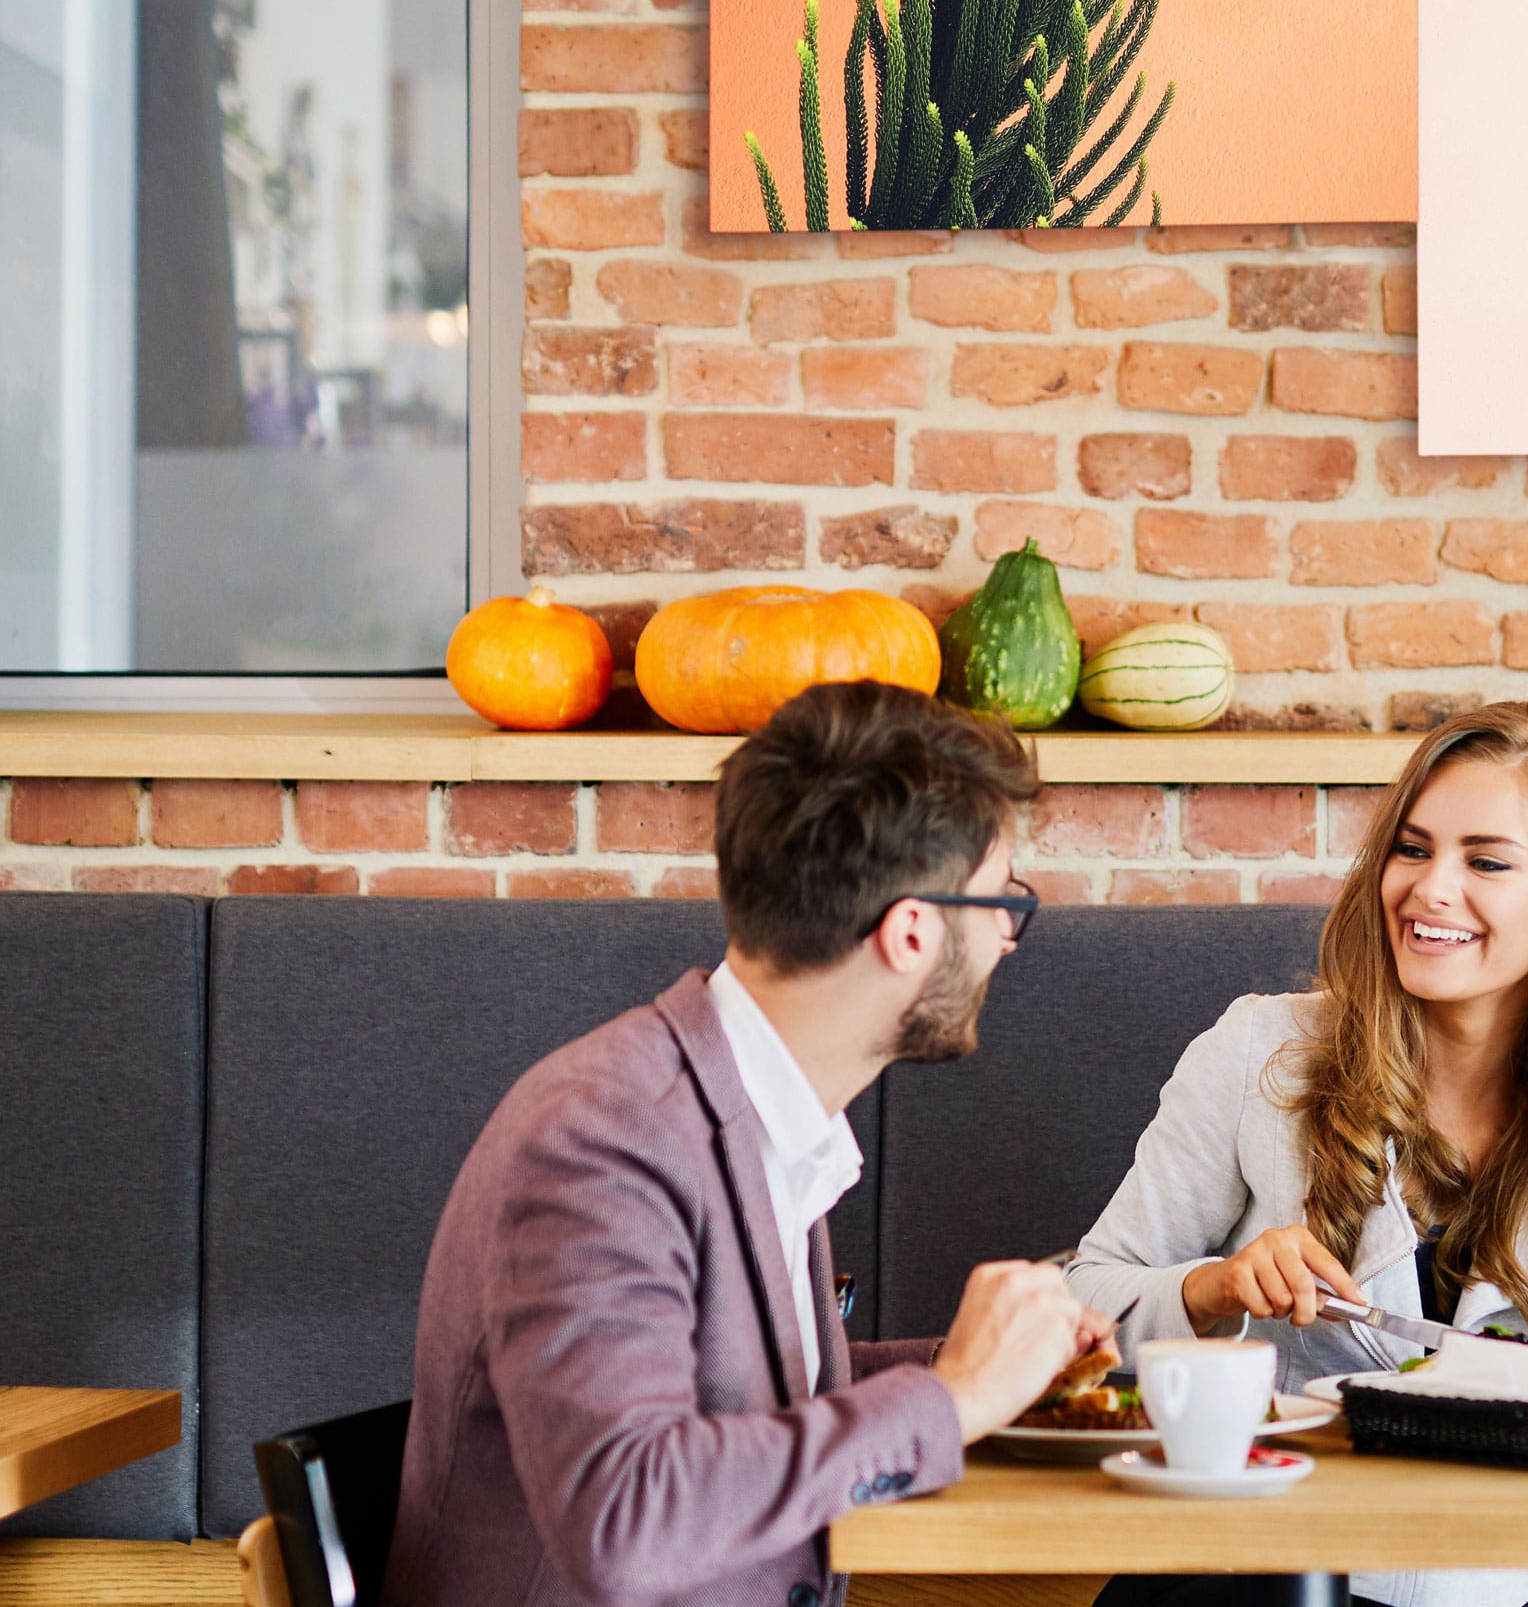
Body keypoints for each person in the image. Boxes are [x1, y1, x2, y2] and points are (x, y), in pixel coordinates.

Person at [384, 680, 1112, 1607]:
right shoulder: (604, 1137)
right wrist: (954, 1400)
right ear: (913, 932)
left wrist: (989, 1370)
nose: (1009, 938)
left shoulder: (746, 1109)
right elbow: (625, 1519)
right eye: (1000, 901)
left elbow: (740, 1399)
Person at [1068, 702, 1528, 1607]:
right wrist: (1215, 1286)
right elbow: (1080, 1302)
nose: (1431, 889)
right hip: (1255, 1575)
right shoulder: (1259, 1050)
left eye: (1485, 861)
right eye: (1412, 849)